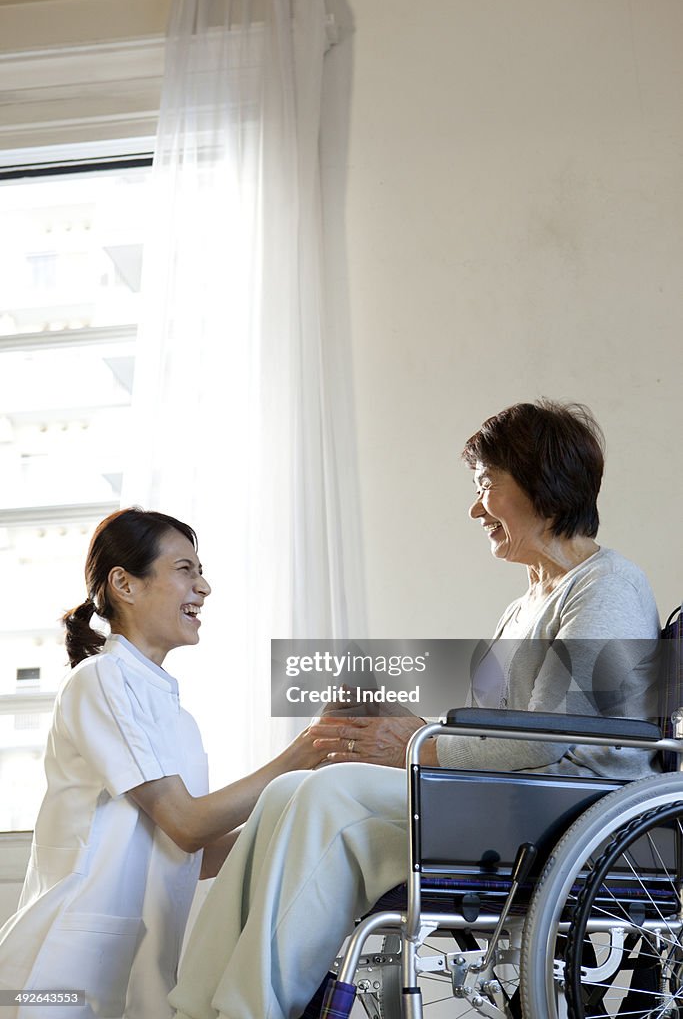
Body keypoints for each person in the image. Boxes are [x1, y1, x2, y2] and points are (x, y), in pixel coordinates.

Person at [168, 399, 661, 1019]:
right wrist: (392, 720)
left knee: (329, 796)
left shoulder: (606, 585)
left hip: (565, 811)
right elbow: (489, 729)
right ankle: (192, 1007)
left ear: (543, 484)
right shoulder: (525, 604)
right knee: (288, 793)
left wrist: (413, 742)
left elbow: (542, 742)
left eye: (487, 487)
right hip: (505, 803)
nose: (476, 509)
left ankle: (249, 1009)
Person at [0, 508, 329, 1019]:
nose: (203, 587)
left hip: (136, 973)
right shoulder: (100, 680)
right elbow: (186, 821)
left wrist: (307, 824)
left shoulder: (180, 720)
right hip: (59, 974)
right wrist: (301, 754)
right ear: (124, 584)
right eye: (185, 570)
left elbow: (190, 850)